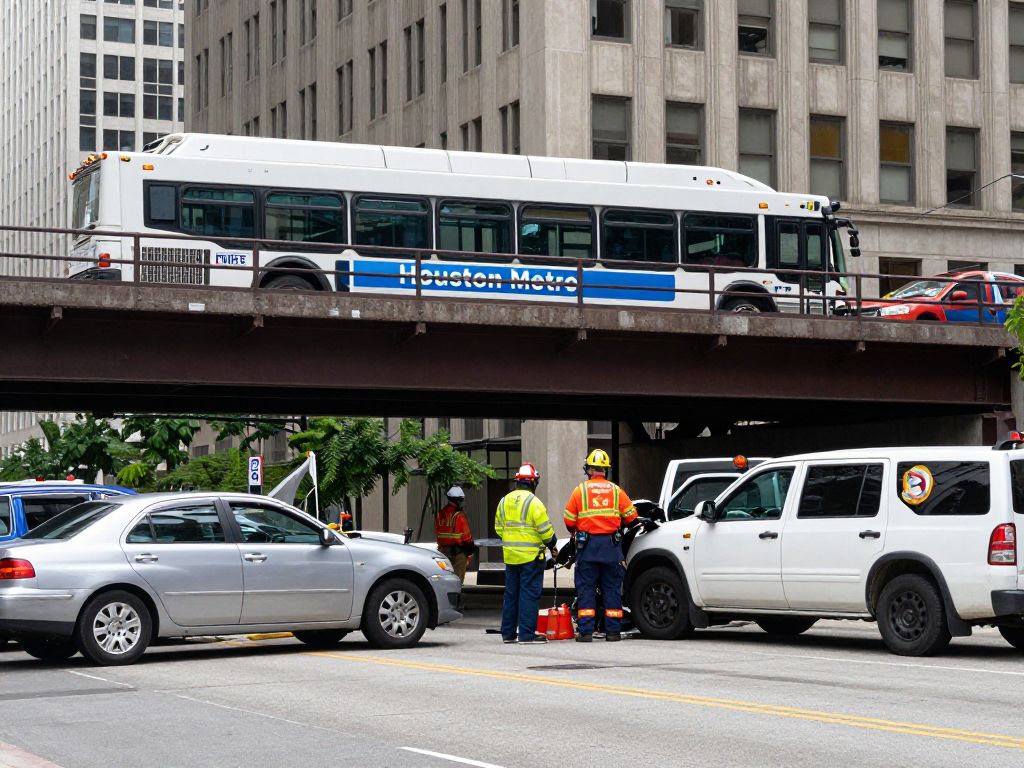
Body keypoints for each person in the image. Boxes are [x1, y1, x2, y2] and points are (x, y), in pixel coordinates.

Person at [564, 448, 637, 643]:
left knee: (586, 588)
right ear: (606, 470)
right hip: (611, 548)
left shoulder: (580, 491)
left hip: (587, 547)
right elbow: (632, 517)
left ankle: (586, 632)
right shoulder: (616, 490)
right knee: (612, 588)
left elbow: (569, 520)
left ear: (588, 469)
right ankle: (613, 632)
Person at [495, 463, 558, 644]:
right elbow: (545, 531)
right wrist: (552, 544)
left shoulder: (503, 501)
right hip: (531, 558)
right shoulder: (534, 502)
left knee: (511, 595)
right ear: (533, 483)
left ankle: (507, 634)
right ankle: (526, 635)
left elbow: (498, 528)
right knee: (528, 595)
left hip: (510, 556)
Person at [434, 486, 475, 583]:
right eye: (461, 500)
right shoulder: (459, 516)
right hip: (458, 554)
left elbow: (437, 532)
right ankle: (456, 598)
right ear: (457, 500)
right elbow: (467, 537)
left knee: (444, 581)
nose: (462, 502)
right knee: (457, 581)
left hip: (443, 553)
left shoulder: (440, 514)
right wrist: (470, 550)